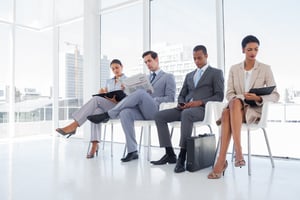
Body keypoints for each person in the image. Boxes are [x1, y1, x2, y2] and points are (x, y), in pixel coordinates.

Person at [207, 35, 280, 179]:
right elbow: (229, 93)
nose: (253, 52)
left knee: (227, 113)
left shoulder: (265, 69)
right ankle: (238, 153)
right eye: (249, 49)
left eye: (256, 49)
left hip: (253, 111)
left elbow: (276, 95)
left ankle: (222, 161)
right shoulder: (234, 69)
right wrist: (240, 98)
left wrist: (258, 98)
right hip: (236, 107)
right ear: (243, 50)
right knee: (234, 102)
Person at [87, 51, 176, 162]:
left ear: (156, 59)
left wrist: (151, 99)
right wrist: (127, 90)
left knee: (140, 93)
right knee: (125, 112)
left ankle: (107, 114)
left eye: (149, 61)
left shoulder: (168, 77)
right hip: (141, 110)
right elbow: (135, 97)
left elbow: (171, 98)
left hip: (155, 111)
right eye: (145, 62)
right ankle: (132, 151)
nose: (147, 64)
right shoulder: (145, 78)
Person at [151, 45, 224, 173]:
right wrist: (181, 103)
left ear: (206, 56)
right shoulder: (189, 75)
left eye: (199, 58)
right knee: (159, 116)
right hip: (184, 109)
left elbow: (219, 96)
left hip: (201, 110)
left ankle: (182, 155)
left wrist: (199, 102)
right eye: (194, 58)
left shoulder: (216, 73)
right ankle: (170, 154)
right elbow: (182, 94)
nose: (196, 61)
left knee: (187, 114)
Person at [56, 59, 127, 159]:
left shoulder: (127, 80)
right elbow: (105, 95)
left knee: (95, 99)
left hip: (118, 108)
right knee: (95, 112)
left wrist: (115, 100)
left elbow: (129, 99)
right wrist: (103, 94)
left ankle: (73, 125)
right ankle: (94, 145)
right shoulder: (109, 82)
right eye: (113, 69)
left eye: (117, 68)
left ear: (122, 67)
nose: (115, 70)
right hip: (106, 106)